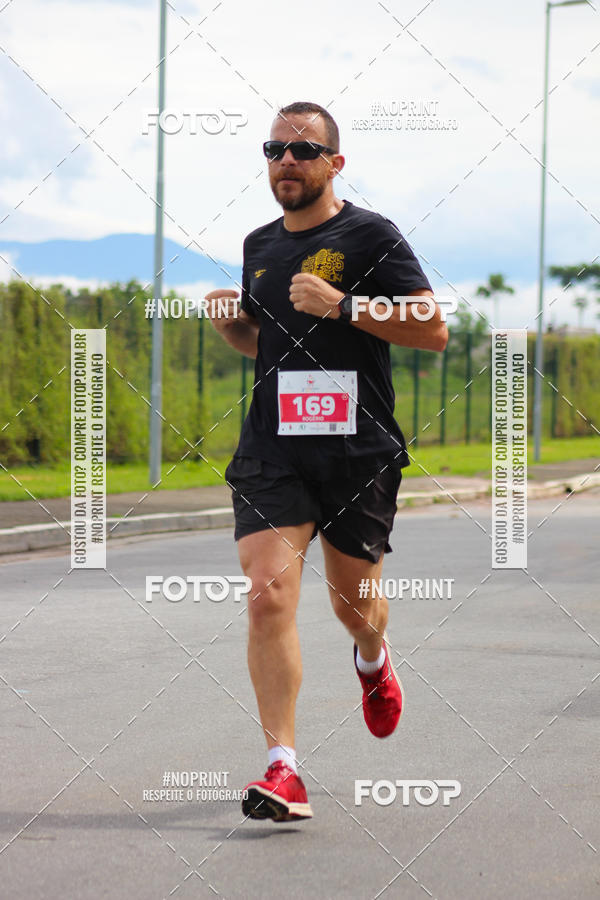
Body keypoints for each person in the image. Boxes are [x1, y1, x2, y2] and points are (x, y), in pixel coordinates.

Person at [206, 101, 448, 822]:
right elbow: (267, 347)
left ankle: (373, 658)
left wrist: (345, 306)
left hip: (356, 449)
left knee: (353, 606)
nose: (287, 160)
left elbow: (432, 328)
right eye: (275, 148)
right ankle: (283, 767)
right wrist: (235, 328)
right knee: (268, 592)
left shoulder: (370, 234)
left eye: (303, 151)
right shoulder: (258, 244)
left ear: (334, 164)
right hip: (272, 447)